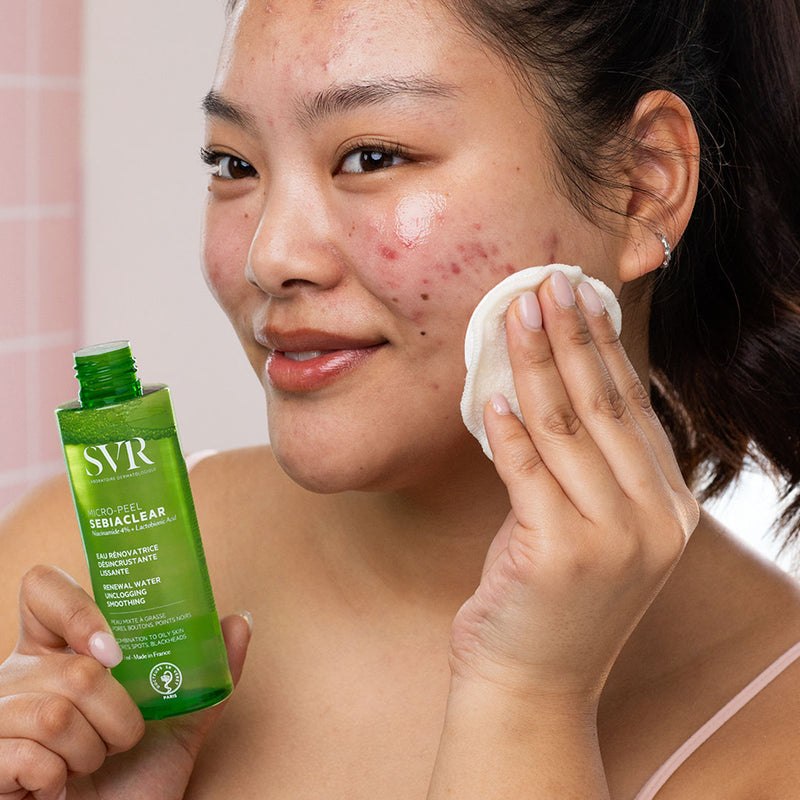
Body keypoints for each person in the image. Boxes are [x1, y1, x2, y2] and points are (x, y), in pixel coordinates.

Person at [1, 0, 799, 796]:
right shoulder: (75, 579)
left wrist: (528, 704)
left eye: (371, 156)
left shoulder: (778, 736)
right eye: (234, 165)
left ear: (642, 186)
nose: (268, 257)